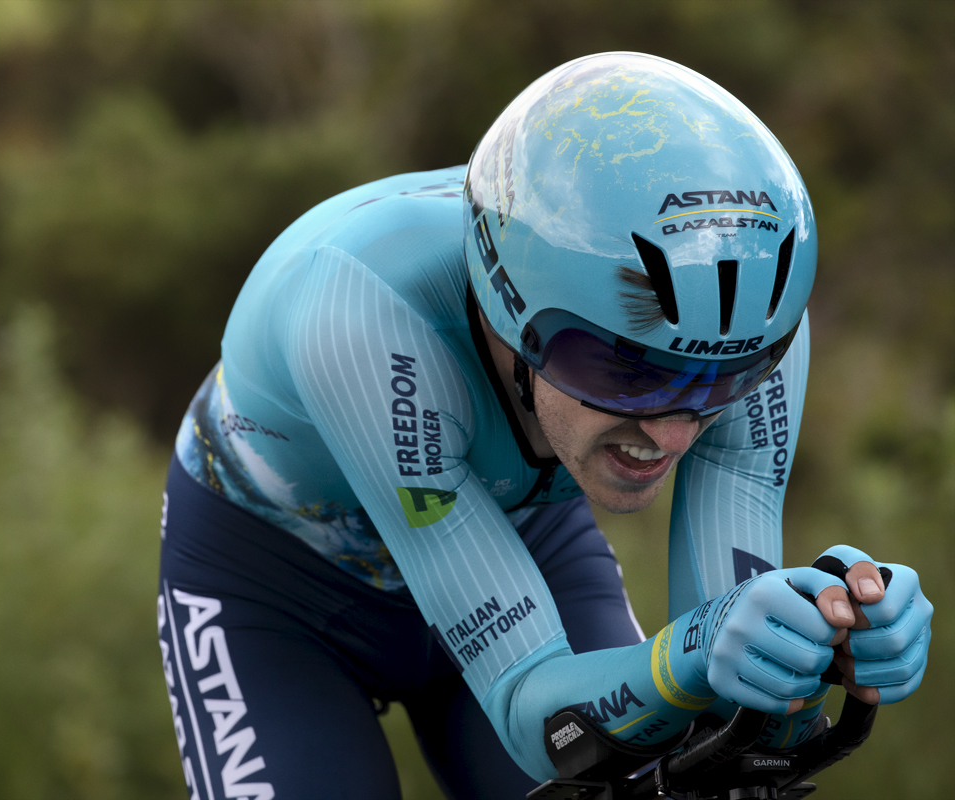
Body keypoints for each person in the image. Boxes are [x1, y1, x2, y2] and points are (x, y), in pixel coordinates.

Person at [156, 52, 932, 800]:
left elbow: (733, 715)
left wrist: (820, 638)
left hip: (519, 534)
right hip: (272, 589)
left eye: (725, 382)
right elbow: (538, 717)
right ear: (510, 312)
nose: (672, 434)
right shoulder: (362, 316)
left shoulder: (746, 322)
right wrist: (690, 653)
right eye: (626, 373)